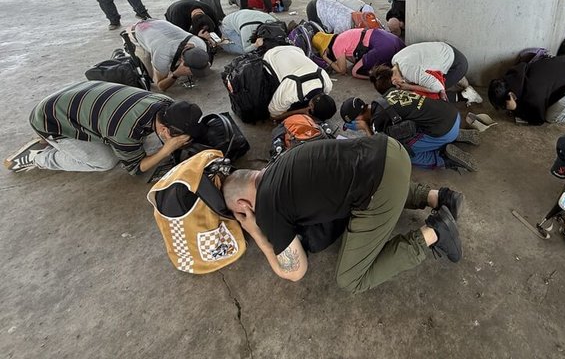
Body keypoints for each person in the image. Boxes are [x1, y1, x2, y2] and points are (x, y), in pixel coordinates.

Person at [221, 134, 465, 293]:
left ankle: (435, 231)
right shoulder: (280, 162)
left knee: (350, 279)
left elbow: (296, 272)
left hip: (381, 188)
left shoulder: (267, 209)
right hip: (389, 149)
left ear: (243, 204)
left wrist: (257, 234)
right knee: (363, 179)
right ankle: (438, 197)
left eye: (237, 214)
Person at [3, 81, 201, 174]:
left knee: (127, 144)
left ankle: (54, 141)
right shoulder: (125, 131)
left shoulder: (164, 102)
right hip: (49, 120)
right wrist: (166, 150)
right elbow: (135, 168)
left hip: (70, 98)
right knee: (106, 161)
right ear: (165, 131)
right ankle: (40, 157)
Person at [340, 93, 479, 170]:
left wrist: (365, 128)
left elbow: (377, 149)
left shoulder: (377, 120)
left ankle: (444, 158)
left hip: (444, 130)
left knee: (401, 153)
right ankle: (456, 134)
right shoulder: (385, 96)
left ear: (358, 117)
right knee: (412, 123)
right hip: (453, 115)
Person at [487, 55, 565, 124]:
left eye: (504, 105)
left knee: (552, 117)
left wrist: (516, 108)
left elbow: (538, 119)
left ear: (511, 95)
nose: (505, 109)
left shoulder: (533, 93)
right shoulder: (514, 75)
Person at [370, 42, 483, 104]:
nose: (400, 89)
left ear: (394, 81)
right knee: (420, 84)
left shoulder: (409, 71)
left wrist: (408, 86)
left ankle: (467, 95)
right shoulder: (395, 60)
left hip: (457, 64)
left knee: (428, 98)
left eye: (397, 88)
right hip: (446, 50)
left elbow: (438, 88)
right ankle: (458, 79)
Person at [128, 19, 212, 91]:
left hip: (158, 23)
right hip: (138, 31)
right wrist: (176, 74)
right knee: (149, 76)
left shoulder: (199, 43)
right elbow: (161, 86)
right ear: (182, 60)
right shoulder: (161, 55)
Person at [262, 45, 335, 121]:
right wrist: (300, 111)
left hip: (295, 49)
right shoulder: (291, 91)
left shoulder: (327, 82)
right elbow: (273, 116)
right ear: (311, 106)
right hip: (271, 55)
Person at [312, 28, 405, 79]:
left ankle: (385, 78)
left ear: (325, 49)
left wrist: (326, 59)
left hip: (383, 47)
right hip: (385, 37)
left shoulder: (336, 46)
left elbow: (342, 70)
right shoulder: (343, 35)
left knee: (355, 71)